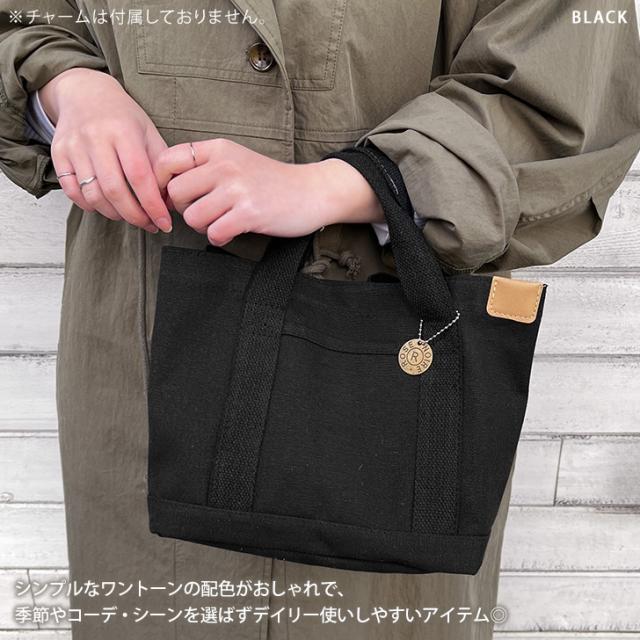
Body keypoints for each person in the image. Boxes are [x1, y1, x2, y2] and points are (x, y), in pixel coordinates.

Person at [1, 1, 639, 638]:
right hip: (138, 346)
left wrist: (336, 186)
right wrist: (70, 87)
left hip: (394, 361)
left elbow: (565, 84)